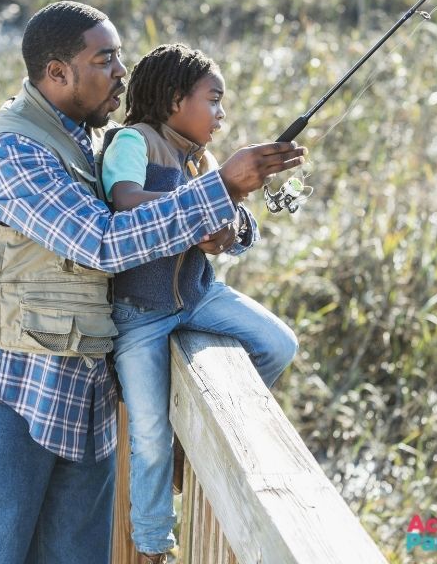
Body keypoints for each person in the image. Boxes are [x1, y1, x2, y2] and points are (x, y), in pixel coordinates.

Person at [0, 0, 306, 564]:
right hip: (3, 394)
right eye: (104, 60)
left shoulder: (90, 142)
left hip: (81, 394)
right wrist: (221, 187)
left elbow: (154, 211)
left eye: (119, 58)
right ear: (57, 73)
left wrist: (227, 211)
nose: (121, 73)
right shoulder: (13, 149)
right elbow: (104, 242)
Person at [100, 43, 298, 562]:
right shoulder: (132, 141)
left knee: (278, 344)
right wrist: (201, 209)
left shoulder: (203, 159)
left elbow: (239, 224)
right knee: (147, 432)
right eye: (213, 99)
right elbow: (124, 202)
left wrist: (229, 229)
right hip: (140, 315)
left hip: (198, 295)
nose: (221, 113)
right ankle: (151, 544)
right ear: (172, 100)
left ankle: (189, 450)